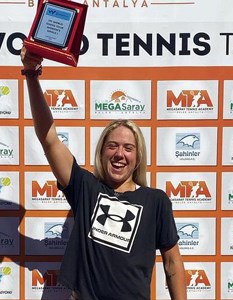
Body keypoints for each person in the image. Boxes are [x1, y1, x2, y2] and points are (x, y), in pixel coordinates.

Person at [21, 48, 187, 300]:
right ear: (102, 152)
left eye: (128, 147)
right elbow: (49, 139)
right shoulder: (85, 188)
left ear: (137, 157)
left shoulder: (156, 200)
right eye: (113, 146)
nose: (120, 153)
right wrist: (31, 74)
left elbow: (172, 262)